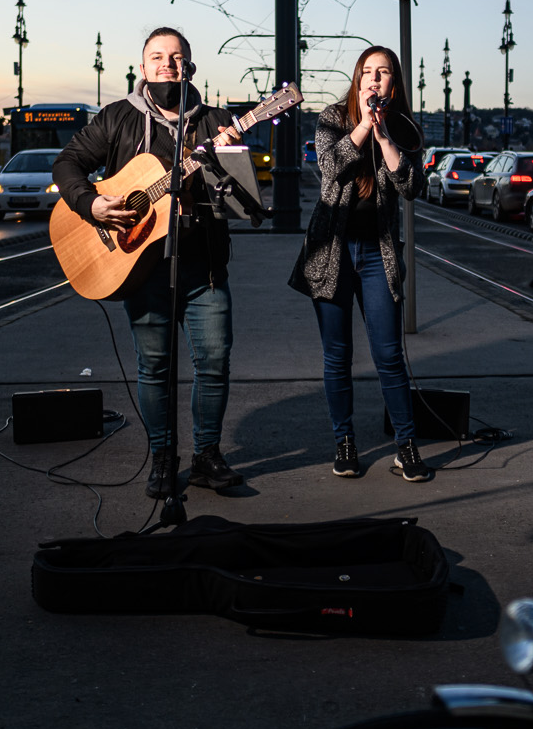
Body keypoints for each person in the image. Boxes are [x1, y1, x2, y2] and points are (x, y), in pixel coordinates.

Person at [54, 28, 244, 499]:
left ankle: (206, 455)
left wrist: (228, 164)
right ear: (143, 68)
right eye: (157, 56)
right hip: (139, 267)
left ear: (190, 64)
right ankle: (162, 456)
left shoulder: (217, 121)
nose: (167, 64)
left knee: (214, 361)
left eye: (176, 56)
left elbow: (243, 200)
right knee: (154, 366)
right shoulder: (118, 118)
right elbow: (68, 164)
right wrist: (90, 204)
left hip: (205, 267)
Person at [290, 46, 430, 482]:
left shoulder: (405, 127)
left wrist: (384, 133)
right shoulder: (333, 117)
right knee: (338, 356)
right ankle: (345, 443)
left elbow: (410, 185)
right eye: (366, 72)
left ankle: (405, 446)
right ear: (357, 79)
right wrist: (363, 128)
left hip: (378, 255)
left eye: (383, 72)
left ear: (394, 83)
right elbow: (329, 167)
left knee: (389, 355)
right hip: (331, 250)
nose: (373, 79)